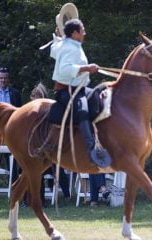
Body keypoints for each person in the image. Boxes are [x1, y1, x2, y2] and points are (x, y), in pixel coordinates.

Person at [50, 18, 111, 167]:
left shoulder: (70, 44)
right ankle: (91, 151)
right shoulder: (70, 47)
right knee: (82, 111)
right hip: (68, 91)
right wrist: (87, 68)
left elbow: (53, 52)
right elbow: (64, 70)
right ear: (75, 33)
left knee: (101, 93)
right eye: (82, 30)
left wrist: (59, 40)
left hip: (79, 89)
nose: (85, 32)